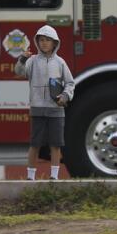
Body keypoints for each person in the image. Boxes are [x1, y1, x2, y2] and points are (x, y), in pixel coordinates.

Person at [16, 25, 74, 181]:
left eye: (48, 40)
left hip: (56, 109)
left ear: (55, 43)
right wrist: (22, 59)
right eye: (41, 40)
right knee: (34, 144)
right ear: (37, 42)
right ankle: (30, 176)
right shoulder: (32, 61)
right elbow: (19, 72)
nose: (44, 43)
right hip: (37, 108)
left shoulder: (60, 62)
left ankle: (54, 176)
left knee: (55, 144)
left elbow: (70, 83)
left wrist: (65, 96)